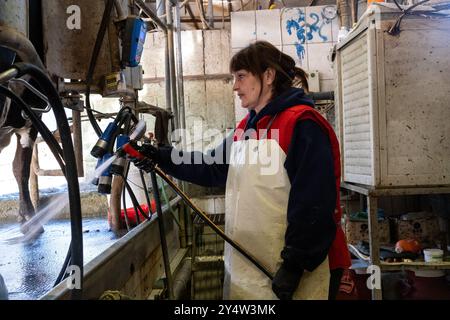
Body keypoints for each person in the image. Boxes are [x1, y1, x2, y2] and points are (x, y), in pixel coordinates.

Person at [129, 41, 351, 300]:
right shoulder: (248, 128)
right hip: (255, 266)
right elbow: (211, 167)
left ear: (268, 76)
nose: (235, 86)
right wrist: (160, 157)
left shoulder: (302, 124)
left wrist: (295, 264)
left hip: (299, 270)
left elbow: (314, 201)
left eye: (241, 77)